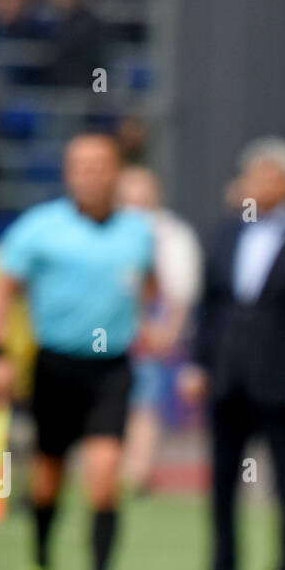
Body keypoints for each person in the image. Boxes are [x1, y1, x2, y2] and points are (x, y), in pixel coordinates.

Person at [0, 133, 154, 570]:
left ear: (117, 171)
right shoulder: (40, 229)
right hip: (55, 366)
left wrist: (155, 325)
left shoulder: (137, 233)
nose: (90, 174)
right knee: (47, 482)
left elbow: (150, 286)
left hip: (111, 370)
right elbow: (5, 292)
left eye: (100, 165)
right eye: (80, 165)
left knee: (104, 480)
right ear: (67, 172)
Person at [182, 139, 285, 570]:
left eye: (267, 176)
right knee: (222, 485)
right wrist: (197, 362)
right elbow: (208, 305)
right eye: (252, 176)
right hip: (227, 374)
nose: (257, 185)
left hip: (283, 378)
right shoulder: (225, 231)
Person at [115, 165, 203, 493]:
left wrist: (167, 330)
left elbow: (181, 289)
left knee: (145, 400)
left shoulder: (172, 233)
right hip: (108, 327)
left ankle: (138, 470)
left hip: (151, 327)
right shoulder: (108, 229)